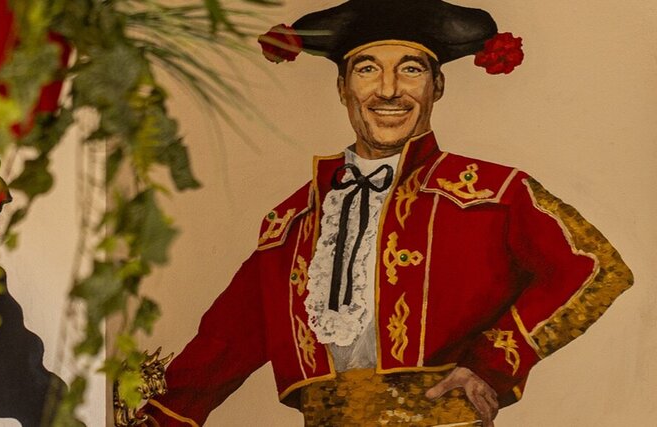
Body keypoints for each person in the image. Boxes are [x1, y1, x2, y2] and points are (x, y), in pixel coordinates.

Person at [141, 1, 633, 425]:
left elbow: (596, 268)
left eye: (411, 69)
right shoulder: (293, 220)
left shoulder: (493, 192)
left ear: (438, 86)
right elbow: (225, 341)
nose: (389, 90)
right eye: (367, 69)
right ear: (342, 88)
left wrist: (492, 363)